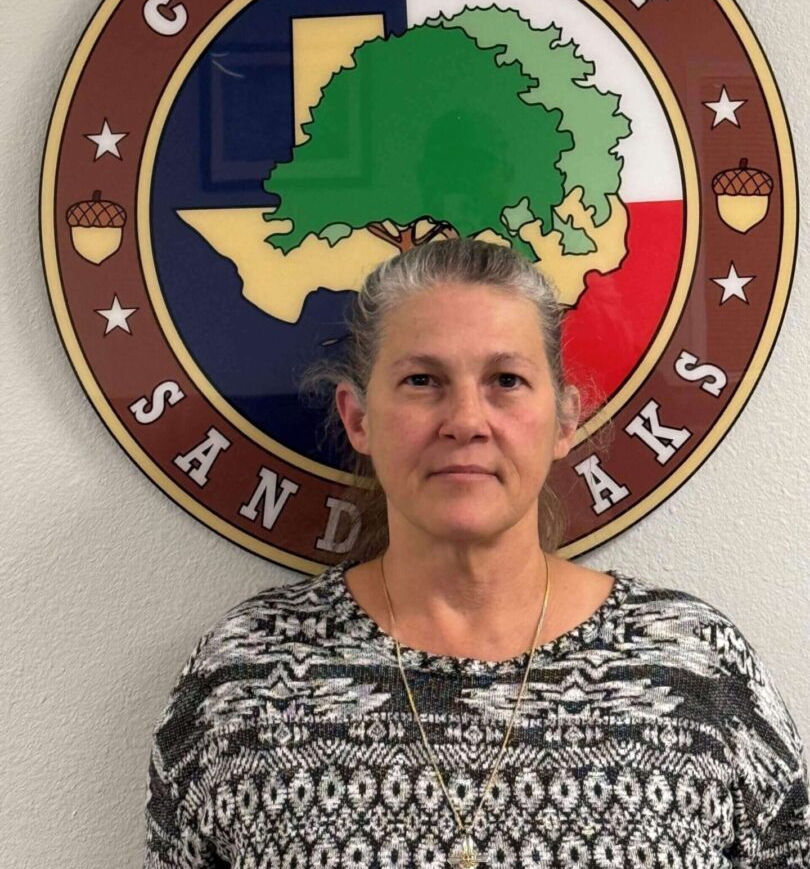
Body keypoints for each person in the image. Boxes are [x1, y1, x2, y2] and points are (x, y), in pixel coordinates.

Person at [144, 238, 810, 867]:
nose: (466, 420)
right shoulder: (245, 679)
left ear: (565, 420)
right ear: (358, 418)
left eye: (507, 380)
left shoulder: (697, 671)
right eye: (422, 380)